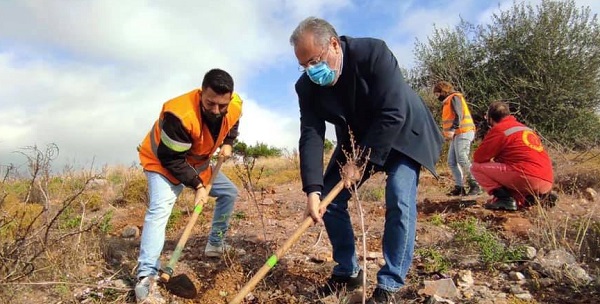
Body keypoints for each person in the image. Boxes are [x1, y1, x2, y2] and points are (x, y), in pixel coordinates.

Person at [290, 17, 443, 303]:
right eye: (304, 66)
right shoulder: (307, 88)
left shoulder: (373, 53)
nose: (311, 71)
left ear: (334, 45)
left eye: (315, 61)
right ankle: (348, 273)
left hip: (403, 133)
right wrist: (312, 190)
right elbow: (311, 134)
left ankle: (390, 285)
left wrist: (359, 162)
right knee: (329, 200)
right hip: (358, 140)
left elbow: (393, 112)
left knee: (399, 197)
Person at [134, 69, 245, 302]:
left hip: (198, 162)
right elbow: (171, 159)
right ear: (201, 92)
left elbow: (232, 121)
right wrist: (199, 186)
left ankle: (215, 244)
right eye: (210, 103)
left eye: (221, 105)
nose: (216, 110)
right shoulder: (180, 114)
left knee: (228, 193)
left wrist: (229, 143)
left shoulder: (232, 105)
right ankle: (146, 276)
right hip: (162, 163)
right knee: (160, 210)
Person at [471, 101, 556, 211]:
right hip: (547, 180)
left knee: (476, 167)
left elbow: (479, 157)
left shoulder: (500, 129)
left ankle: (505, 200)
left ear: (490, 118)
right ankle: (538, 197)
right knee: (515, 177)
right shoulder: (525, 128)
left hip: (526, 177)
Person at [433, 81, 481, 196]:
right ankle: (459, 187)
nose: (437, 97)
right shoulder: (448, 101)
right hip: (457, 134)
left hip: (463, 132)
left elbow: (459, 115)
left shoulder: (454, 98)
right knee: (452, 161)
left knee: (462, 158)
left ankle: (475, 185)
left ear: (442, 91)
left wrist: (452, 130)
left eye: (437, 94)